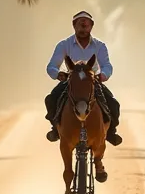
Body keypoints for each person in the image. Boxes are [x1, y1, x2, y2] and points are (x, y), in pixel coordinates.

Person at [44, 11, 122, 146]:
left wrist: (102, 75)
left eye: (86, 26)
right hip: (71, 81)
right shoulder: (64, 44)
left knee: (113, 104)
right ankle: (56, 130)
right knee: (51, 99)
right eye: (80, 25)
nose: (83, 29)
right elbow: (52, 65)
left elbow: (106, 65)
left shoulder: (100, 46)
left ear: (91, 26)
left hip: (92, 81)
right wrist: (58, 74)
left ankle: (110, 133)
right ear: (74, 25)